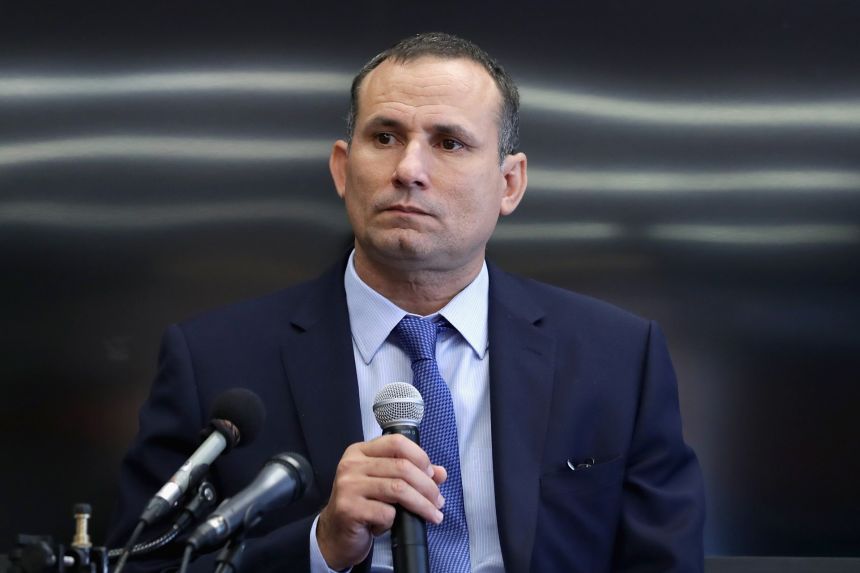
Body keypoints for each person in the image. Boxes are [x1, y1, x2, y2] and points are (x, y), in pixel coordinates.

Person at [109, 32, 705, 572]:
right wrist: (319, 546)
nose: (409, 169)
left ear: (509, 184)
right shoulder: (214, 361)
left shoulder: (618, 357)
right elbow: (138, 565)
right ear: (344, 168)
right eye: (385, 137)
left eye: (449, 142)